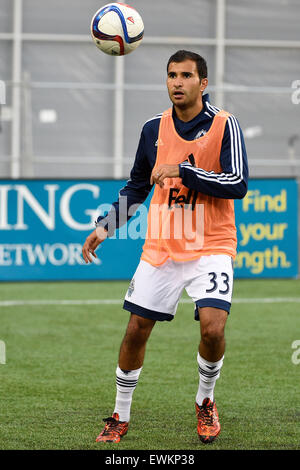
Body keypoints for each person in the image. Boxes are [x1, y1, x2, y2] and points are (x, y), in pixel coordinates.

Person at [82, 50, 248, 444]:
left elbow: (237, 182)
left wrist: (184, 169)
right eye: (171, 75)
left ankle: (205, 402)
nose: (177, 82)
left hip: (211, 243)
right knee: (136, 329)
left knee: (213, 329)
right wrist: (106, 226)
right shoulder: (152, 128)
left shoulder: (226, 125)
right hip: (163, 244)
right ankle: (120, 415)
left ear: (202, 83)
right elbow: (138, 185)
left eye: (186, 76)